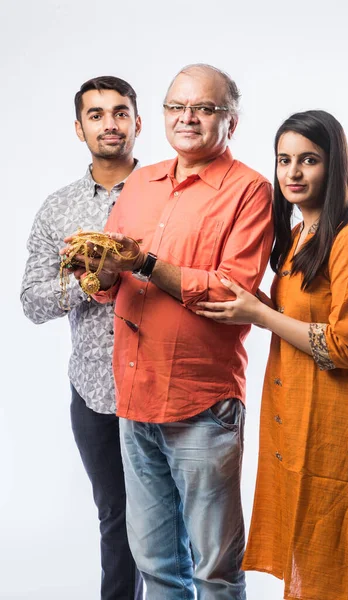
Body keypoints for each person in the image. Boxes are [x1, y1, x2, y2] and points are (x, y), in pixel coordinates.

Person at [65, 63, 274, 600]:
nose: (187, 118)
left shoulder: (249, 191)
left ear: (230, 119)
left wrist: (147, 262)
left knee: (214, 571)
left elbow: (234, 289)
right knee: (156, 564)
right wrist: (98, 268)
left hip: (201, 404)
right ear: (160, 115)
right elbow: (111, 281)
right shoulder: (141, 181)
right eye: (176, 107)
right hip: (133, 403)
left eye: (203, 108)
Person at [196, 110, 348, 600]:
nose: (293, 173)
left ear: (336, 166)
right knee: (307, 560)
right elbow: (301, 317)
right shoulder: (297, 236)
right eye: (284, 160)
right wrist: (253, 302)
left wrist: (262, 316)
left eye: (309, 160)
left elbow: (345, 346)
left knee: (344, 565)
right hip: (296, 421)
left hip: (339, 430)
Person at [21, 76, 143, 600]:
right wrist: (90, 279)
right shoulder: (58, 208)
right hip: (95, 390)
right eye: (96, 115)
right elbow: (31, 301)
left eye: (120, 112)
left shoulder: (169, 192)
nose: (109, 123)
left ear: (138, 122)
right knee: (116, 519)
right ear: (79, 128)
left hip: (167, 384)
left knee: (175, 522)